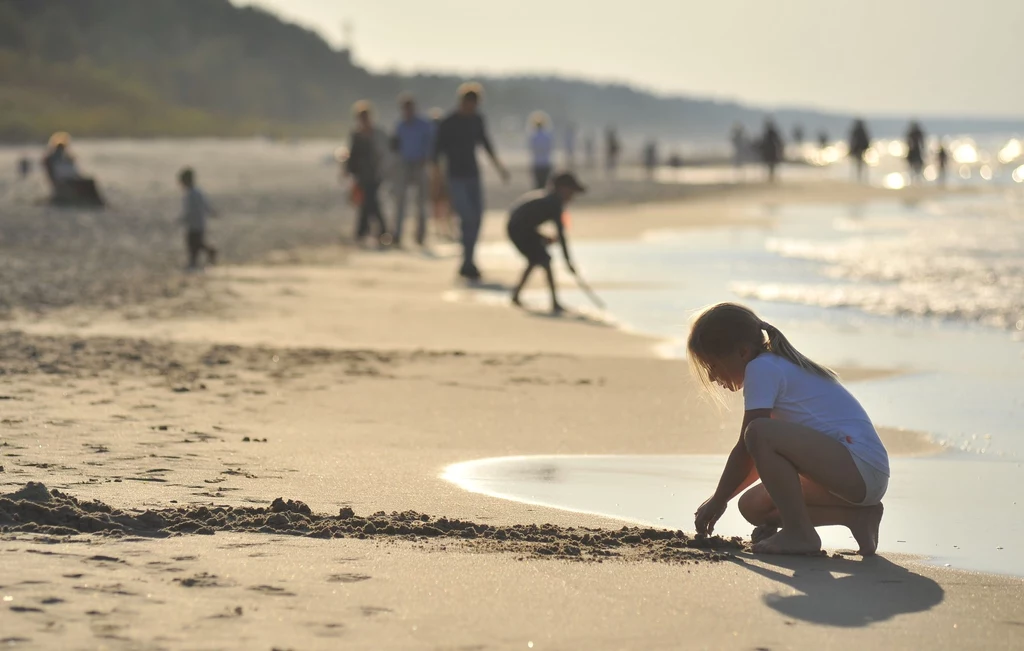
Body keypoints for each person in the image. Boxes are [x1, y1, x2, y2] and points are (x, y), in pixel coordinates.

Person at [688, 303, 889, 556]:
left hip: (858, 466)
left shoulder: (762, 368)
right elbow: (758, 454)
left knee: (758, 430)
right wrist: (724, 499)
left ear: (742, 352)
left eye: (713, 365)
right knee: (753, 507)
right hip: (860, 476)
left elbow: (749, 444)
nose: (711, 377)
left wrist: (717, 500)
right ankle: (859, 516)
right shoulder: (774, 366)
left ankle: (800, 533)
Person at [432, 82, 510, 282]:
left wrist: (499, 168)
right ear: (462, 102)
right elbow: (436, 155)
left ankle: (469, 260)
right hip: (455, 176)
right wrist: (438, 182)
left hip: (473, 175)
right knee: (467, 218)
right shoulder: (449, 123)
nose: (471, 108)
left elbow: (486, 144)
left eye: (474, 104)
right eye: (469, 104)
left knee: (477, 218)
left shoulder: (477, 120)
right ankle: (467, 262)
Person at [507, 172, 585, 314]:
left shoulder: (551, 200)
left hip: (522, 227)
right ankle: (554, 302)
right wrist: (568, 262)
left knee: (536, 258)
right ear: (562, 189)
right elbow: (561, 235)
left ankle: (516, 294)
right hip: (518, 229)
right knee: (544, 259)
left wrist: (542, 238)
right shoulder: (554, 203)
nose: (572, 197)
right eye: (571, 192)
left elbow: (531, 222)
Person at [346, 101, 391, 247]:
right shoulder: (356, 135)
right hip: (361, 174)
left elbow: (384, 153)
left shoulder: (377, 133)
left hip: (375, 173)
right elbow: (352, 155)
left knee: (370, 202)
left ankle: (366, 232)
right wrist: (348, 170)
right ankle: (377, 232)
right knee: (368, 203)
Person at [391, 93, 434, 247]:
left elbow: (430, 143)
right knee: (400, 201)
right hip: (404, 164)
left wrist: (427, 158)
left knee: (421, 202)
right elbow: (395, 145)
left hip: (420, 164)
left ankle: (420, 235)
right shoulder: (400, 125)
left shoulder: (424, 125)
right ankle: (397, 234)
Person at [42, 132, 104, 206]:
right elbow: (51, 175)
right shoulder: (50, 159)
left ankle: (96, 203)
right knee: (84, 184)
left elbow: (74, 171)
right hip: (63, 181)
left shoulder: (69, 158)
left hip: (71, 178)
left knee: (89, 182)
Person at [177, 168, 218, 270]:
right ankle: (198, 258)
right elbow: (205, 205)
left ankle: (196, 260)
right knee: (196, 243)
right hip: (197, 222)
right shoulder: (195, 192)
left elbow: (191, 209)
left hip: (196, 223)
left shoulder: (193, 193)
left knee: (194, 243)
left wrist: (184, 218)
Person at [528, 112, 554, 190]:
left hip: (537, 163)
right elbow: (550, 149)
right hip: (546, 162)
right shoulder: (548, 136)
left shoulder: (533, 136)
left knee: (537, 185)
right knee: (545, 185)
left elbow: (532, 149)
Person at [848, 119, 871, 183]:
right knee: (860, 163)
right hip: (860, 149)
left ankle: (859, 177)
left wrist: (851, 149)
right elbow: (867, 140)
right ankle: (859, 177)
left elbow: (852, 140)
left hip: (858, 149)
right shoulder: (862, 130)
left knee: (858, 163)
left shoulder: (856, 130)